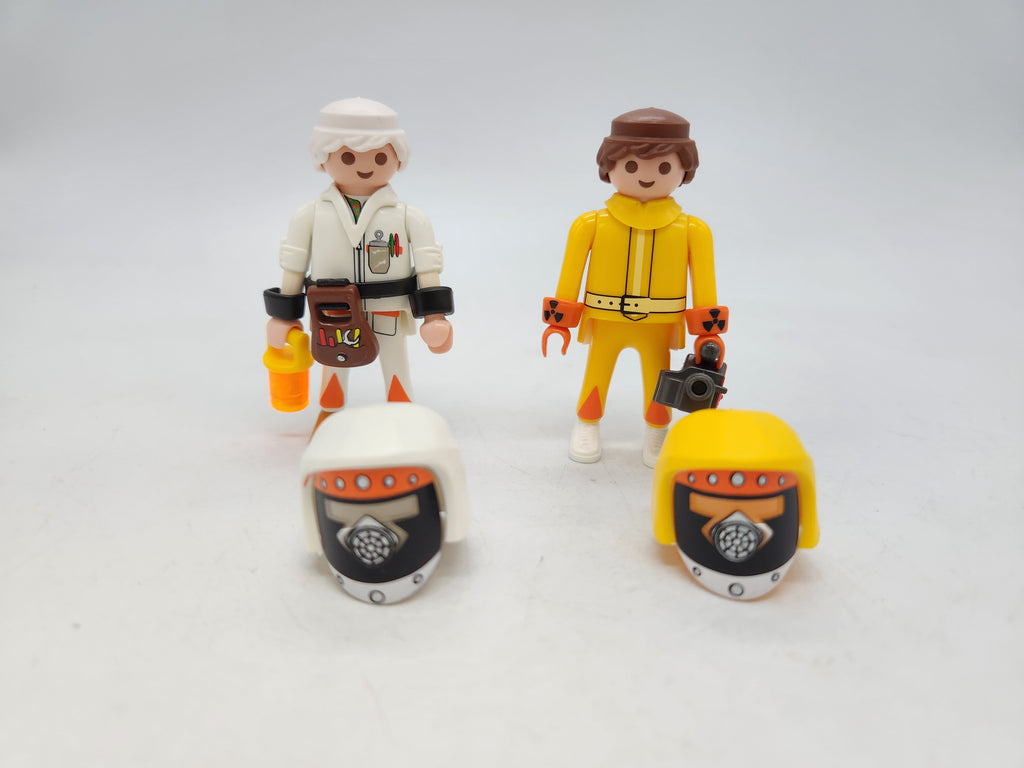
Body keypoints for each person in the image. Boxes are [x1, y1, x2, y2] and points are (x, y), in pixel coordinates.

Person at [542, 108, 728, 467]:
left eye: (664, 167)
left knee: (660, 379)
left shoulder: (693, 231)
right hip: (606, 318)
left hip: (658, 325)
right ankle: (587, 424)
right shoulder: (590, 224)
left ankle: (657, 431)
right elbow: (571, 274)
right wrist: (559, 322)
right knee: (597, 372)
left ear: (684, 170)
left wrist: (709, 334)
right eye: (631, 165)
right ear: (608, 166)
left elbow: (705, 285)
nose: (646, 175)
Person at [264, 98, 454, 429]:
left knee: (395, 361)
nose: (364, 167)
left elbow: (428, 266)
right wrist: (284, 315)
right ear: (323, 158)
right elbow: (293, 265)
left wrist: (435, 317)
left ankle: (403, 416)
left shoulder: (409, 216)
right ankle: (330, 414)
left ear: (398, 158)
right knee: (333, 360)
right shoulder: (310, 215)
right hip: (331, 308)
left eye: (380, 157)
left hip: (388, 307)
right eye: (348, 157)